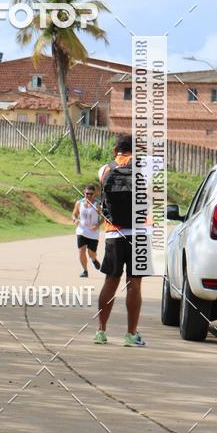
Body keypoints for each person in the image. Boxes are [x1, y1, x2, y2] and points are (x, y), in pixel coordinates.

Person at [94, 133, 146, 347]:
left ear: (116, 150)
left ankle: (101, 332)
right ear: (135, 151)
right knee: (134, 284)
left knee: (110, 281)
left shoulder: (105, 170)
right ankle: (131, 335)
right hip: (139, 234)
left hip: (114, 233)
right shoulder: (144, 169)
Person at [71, 183, 102, 277]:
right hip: (82, 230)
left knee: (91, 253)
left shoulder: (98, 204)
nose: (88, 195)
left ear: (95, 194)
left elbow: (104, 218)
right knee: (81, 251)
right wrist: (75, 219)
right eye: (87, 193)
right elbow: (74, 214)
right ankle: (85, 271)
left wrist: (97, 225)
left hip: (93, 232)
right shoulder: (79, 203)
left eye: (91, 194)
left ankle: (94, 259)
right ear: (84, 192)